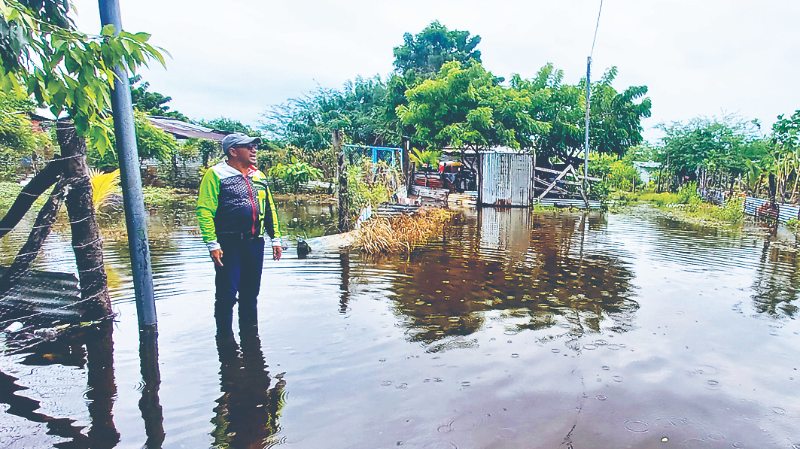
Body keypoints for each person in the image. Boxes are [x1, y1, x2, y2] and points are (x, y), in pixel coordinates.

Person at [196, 133, 282, 335]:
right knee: (227, 294)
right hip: (229, 244)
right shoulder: (216, 174)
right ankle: (224, 338)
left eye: (254, 146)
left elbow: (268, 208)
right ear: (233, 151)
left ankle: (250, 336)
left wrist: (275, 239)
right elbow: (205, 210)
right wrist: (212, 244)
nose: (254, 150)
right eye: (248, 146)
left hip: (255, 243)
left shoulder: (258, 176)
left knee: (251, 294)